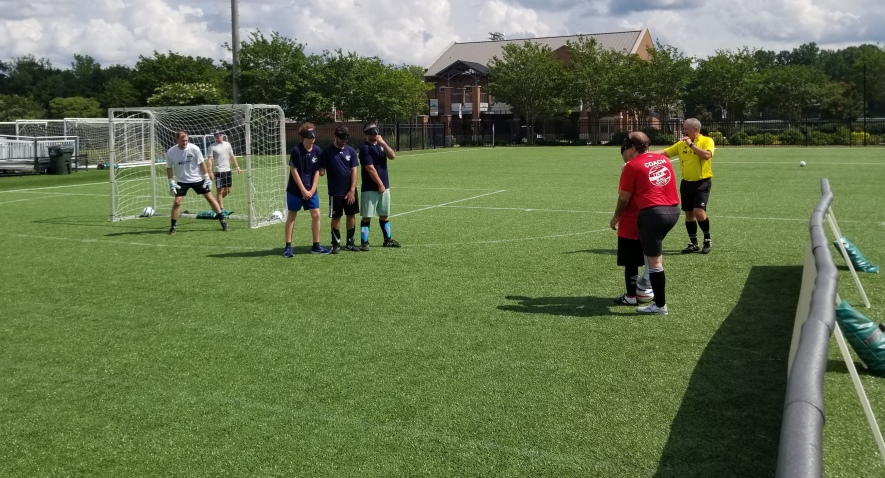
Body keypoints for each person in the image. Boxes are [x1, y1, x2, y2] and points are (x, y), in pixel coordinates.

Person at [610, 132, 681, 315]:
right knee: (651, 253)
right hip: (673, 211)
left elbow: (624, 198)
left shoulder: (631, 166)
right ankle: (644, 284)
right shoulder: (663, 160)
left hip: (653, 214)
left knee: (655, 261)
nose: (623, 152)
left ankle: (659, 305)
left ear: (632, 148)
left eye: (625, 148)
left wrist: (616, 216)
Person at [651, 118, 715, 254]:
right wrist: (644, 154)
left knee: (699, 211)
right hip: (686, 183)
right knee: (689, 214)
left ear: (695, 130)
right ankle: (693, 243)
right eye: (684, 128)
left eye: (686, 128)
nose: (683, 131)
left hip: (702, 182)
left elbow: (707, 155)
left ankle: (707, 239)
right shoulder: (681, 144)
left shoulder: (707, 141)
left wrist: (691, 145)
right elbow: (665, 153)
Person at [165, 130, 228, 234]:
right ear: (177, 140)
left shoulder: (194, 148)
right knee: (177, 202)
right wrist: (171, 181)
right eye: (182, 141)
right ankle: (173, 227)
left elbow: (201, 163)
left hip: (198, 179)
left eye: (186, 140)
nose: (185, 142)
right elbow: (168, 167)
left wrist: (206, 177)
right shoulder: (171, 152)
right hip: (182, 181)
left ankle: (222, 220)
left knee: (210, 198)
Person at [283, 123, 330, 257]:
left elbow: (318, 171)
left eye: (314, 134)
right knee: (292, 216)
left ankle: (316, 245)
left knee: (316, 214)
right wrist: (303, 190)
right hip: (295, 190)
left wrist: (312, 189)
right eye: (310, 135)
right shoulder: (296, 150)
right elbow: (294, 170)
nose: (313, 137)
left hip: (311, 190)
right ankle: (288, 246)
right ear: (303, 137)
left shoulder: (317, 150)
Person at [358, 123, 400, 250]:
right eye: (372, 133)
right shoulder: (365, 148)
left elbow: (392, 156)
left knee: (384, 214)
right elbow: (370, 168)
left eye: (376, 133)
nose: (375, 135)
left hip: (384, 186)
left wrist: (383, 143)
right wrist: (380, 184)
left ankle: (387, 240)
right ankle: (364, 242)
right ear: (366, 134)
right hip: (370, 187)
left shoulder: (381, 145)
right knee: (367, 216)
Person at [319, 125, 360, 253]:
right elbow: (321, 171)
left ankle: (350, 243)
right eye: (341, 138)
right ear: (335, 136)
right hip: (335, 191)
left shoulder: (351, 151)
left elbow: (354, 170)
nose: (344, 141)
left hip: (350, 191)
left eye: (346, 138)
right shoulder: (327, 152)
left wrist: (352, 189)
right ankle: (336, 244)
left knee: (351, 215)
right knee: (336, 217)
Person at [206, 130, 241, 211]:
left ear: (223, 135)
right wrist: (210, 171)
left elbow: (232, 156)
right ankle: (221, 209)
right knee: (219, 191)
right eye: (215, 136)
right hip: (218, 172)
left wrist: (237, 167)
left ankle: (215, 203)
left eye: (218, 135)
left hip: (227, 171)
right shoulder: (212, 147)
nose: (217, 137)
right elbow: (210, 160)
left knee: (228, 190)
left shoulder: (227, 144)